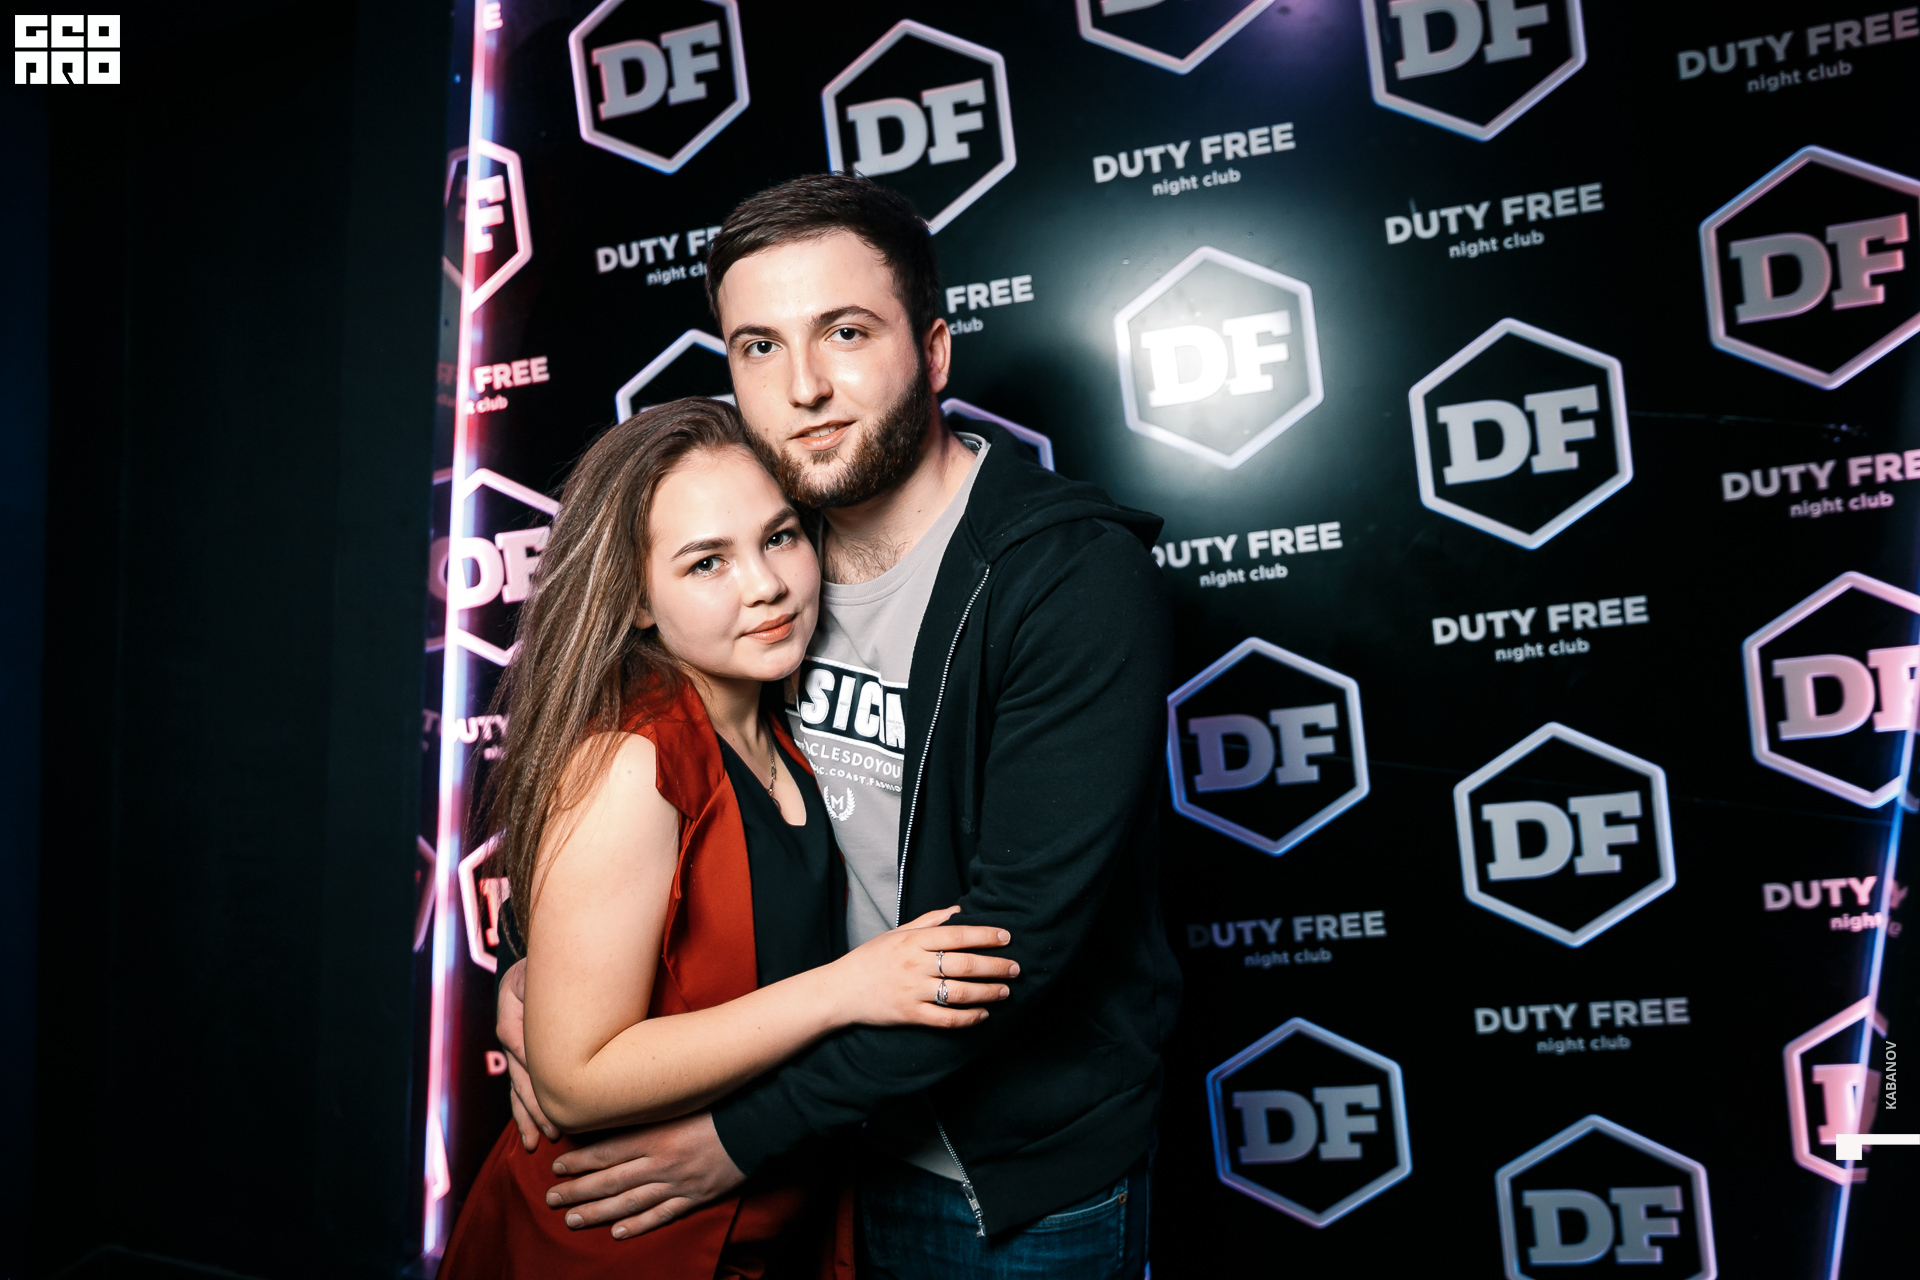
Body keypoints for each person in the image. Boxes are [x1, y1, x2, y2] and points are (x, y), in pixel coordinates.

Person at [497, 175, 1181, 1279]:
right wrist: (534, 973)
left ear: (935, 351)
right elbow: (608, 754)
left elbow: (1010, 948)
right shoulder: (757, 544)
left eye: (846, 333)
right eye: (760, 347)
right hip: (812, 1163)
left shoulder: (1068, 581)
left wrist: (738, 1136)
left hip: (985, 1176)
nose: (804, 386)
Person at [439, 398, 1019, 1280]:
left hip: (774, 1225)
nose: (766, 585)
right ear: (637, 600)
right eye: (707, 561)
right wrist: (851, 988)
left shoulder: (783, 719)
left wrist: (531, 974)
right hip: (621, 1240)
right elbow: (573, 1080)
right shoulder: (632, 759)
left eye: (779, 537)